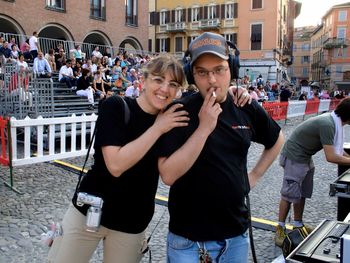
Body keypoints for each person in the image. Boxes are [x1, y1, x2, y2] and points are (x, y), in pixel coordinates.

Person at [157, 32, 284, 263]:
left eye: (219, 70)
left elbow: (277, 140)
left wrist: (253, 176)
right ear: (191, 75)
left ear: (232, 70)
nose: (212, 80)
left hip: (235, 237)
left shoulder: (245, 106)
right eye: (202, 73)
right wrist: (204, 128)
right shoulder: (179, 111)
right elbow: (167, 174)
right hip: (187, 241)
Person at [274, 97, 350, 247]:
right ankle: (280, 229)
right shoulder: (328, 124)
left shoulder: (334, 121)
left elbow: (339, 152)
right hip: (294, 157)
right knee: (289, 194)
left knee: (302, 193)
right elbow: (331, 156)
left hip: (305, 156)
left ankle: (297, 225)